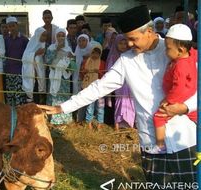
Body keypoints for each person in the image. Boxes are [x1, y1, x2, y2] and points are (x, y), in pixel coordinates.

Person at [38, 5, 197, 185]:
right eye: (126, 39)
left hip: (184, 137)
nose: (129, 44)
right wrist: (63, 107)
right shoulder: (127, 60)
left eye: (133, 39)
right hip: (151, 142)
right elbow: (99, 87)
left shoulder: (174, 48)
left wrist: (185, 107)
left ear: (150, 31)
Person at [153, 24, 197, 153]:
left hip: (180, 99)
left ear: (181, 50)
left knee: (158, 117)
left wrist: (168, 100)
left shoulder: (180, 66)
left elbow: (180, 88)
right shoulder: (189, 57)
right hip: (184, 99)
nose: (165, 51)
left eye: (168, 48)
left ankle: (160, 145)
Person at [106, 34, 135, 131]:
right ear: (116, 44)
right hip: (119, 84)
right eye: (120, 43)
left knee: (131, 103)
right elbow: (110, 71)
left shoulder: (130, 55)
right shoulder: (113, 56)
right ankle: (117, 124)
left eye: (125, 43)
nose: (123, 46)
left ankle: (130, 124)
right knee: (119, 103)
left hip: (130, 83)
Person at [45, 28, 73, 125]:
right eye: (59, 35)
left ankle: (64, 119)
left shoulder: (68, 48)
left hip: (64, 77)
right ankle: (53, 120)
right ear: (55, 37)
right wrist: (56, 50)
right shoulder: (51, 47)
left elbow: (72, 63)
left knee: (63, 97)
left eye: (63, 35)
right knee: (54, 95)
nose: (61, 37)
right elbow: (47, 61)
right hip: (54, 75)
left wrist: (70, 60)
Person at [4, 16, 28, 106]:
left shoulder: (24, 39)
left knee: (19, 96)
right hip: (9, 71)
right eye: (9, 26)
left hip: (20, 71)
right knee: (10, 96)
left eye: (13, 26)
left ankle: (20, 118)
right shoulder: (6, 39)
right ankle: (11, 118)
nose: (11, 28)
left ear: (17, 25)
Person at [80, 44, 106, 129]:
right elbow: (81, 74)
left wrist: (98, 72)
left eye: (97, 53)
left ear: (100, 54)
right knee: (90, 105)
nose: (95, 55)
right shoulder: (86, 62)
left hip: (100, 88)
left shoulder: (102, 63)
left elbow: (105, 76)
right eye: (93, 52)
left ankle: (99, 123)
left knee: (100, 106)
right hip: (89, 87)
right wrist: (85, 71)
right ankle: (89, 123)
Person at [22, 27, 47, 103]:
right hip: (31, 75)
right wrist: (35, 53)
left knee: (39, 96)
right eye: (43, 35)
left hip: (39, 75)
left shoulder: (44, 45)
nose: (45, 37)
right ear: (38, 35)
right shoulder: (31, 44)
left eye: (46, 36)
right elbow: (24, 58)